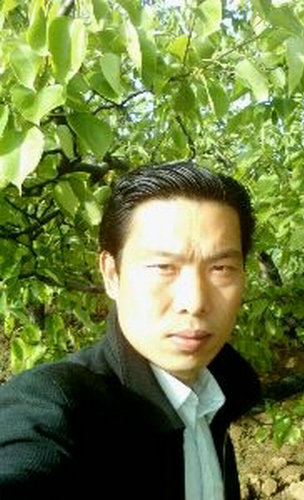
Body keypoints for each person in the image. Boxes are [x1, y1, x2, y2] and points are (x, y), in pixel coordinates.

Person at [0, 161, 261, 499]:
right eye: (163, 267)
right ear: (111, 274)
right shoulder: (59, 405)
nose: (195, 302)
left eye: (221, 268)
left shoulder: (221, 391)